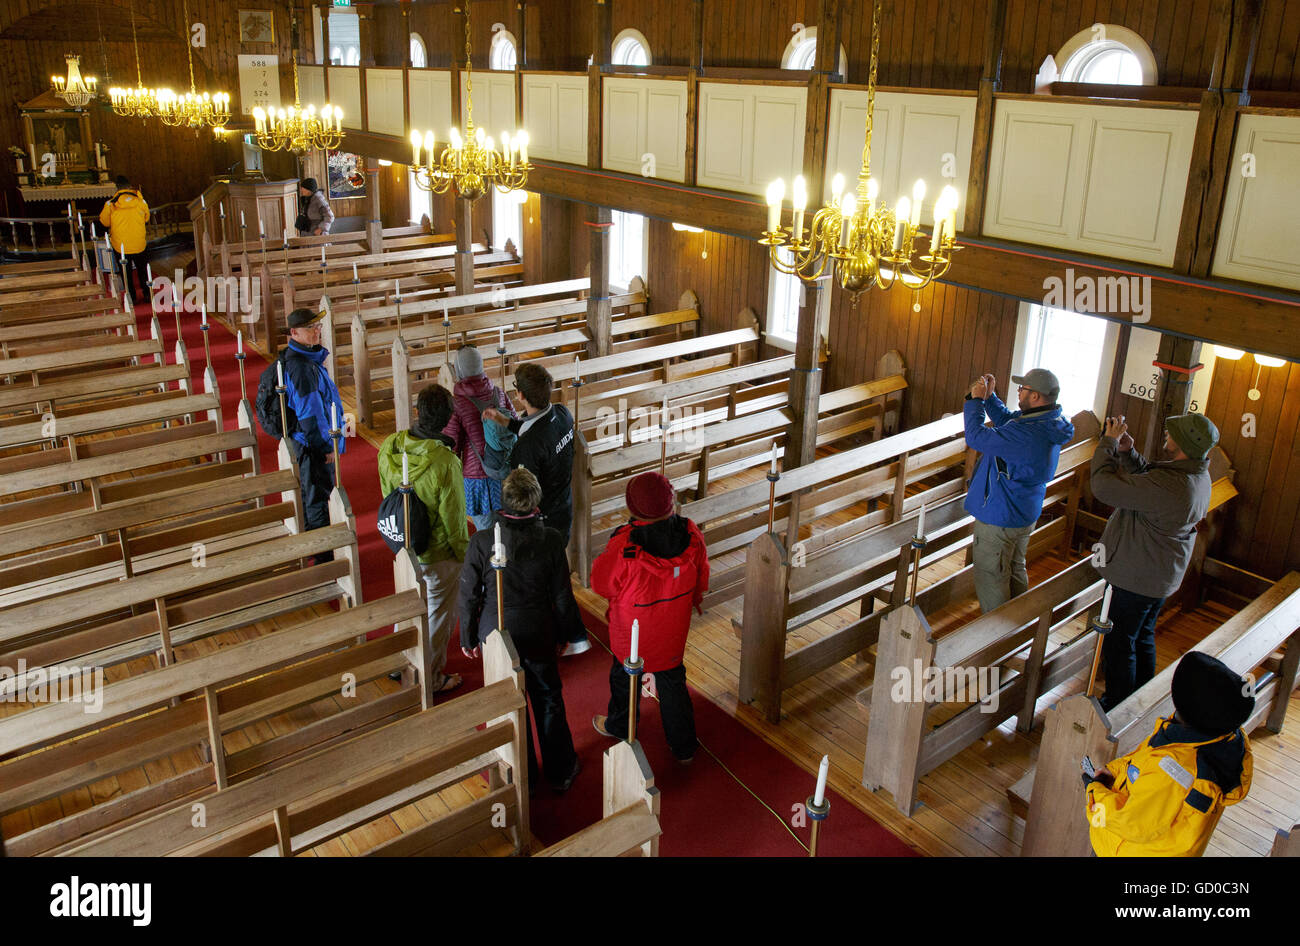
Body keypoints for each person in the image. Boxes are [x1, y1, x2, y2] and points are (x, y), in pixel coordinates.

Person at [457, 468, 582, 792]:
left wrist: (468, 636)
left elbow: (469, 594)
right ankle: (561, 770)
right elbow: (561, 596)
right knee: (547, 697)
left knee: (509, 702)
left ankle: (521, 774)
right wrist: (568, 633)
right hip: (539, 628)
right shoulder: (551, 538)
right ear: (535, 502)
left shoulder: (483, 540)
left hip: (496, 631)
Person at [1093, 412, 1218, 710]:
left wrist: (1108, 445)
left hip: (1137, 577)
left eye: (1171, 432)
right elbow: (1151, 480)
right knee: (1142, 637)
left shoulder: (1173, 485)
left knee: (1120, 643)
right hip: (1159, 575)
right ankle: (1140, 699)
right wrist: (1128, 453)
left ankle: (1117, 706)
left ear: (1183, 442)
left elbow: (1103, 487)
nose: (1166, 434)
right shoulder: (1195, 475)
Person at [1086, 650, 1253, 856]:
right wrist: (1114, 771)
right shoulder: (1223, 738)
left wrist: (1095, 792)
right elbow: (1141, 762)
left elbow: (1132, 824)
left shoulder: (1172, 768)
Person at [590, 472, 708, 764]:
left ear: (633, 508)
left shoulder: (624, 545)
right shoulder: (691, 533)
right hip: (672, 625)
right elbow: (702, 575)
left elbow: (601, 584)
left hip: (632, 631)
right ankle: (683, 747)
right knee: (672, 682)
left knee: (624, 678)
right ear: (671, 503)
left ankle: (620, 725)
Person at [483, 361, 589, 656]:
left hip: (543, 520)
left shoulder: (527, 448)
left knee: (545, 582)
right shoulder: (562, 414)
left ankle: (562, 637)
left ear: (519, 396)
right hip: (563, 506)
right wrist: (504, 422)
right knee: (557, 573)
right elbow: (535, 427)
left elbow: (524, 494)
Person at [378, 384, 468, 695]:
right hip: (437, 553)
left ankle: (401, 661)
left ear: (417, 412)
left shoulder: (389, 445)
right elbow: (454, 519)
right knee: (437, 615)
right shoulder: (445, 462)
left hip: (403, 545)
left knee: (406, 605)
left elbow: (385, 497)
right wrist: (462, 554)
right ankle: (430, 677)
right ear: (447, 420)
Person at [963, 368, 1075, 612]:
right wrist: (991, 398)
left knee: (991, 576)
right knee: (1014, 568)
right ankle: (1017, 627)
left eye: (1023, 389)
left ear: (1035, 396)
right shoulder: (1048, 422)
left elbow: (975, 437)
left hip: (1000, 516)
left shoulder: (1025, 434)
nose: (1019, 391)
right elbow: (1009, 421)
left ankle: (997, 641)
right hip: (1024, 510)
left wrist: (975, 401)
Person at [281, 307, 346, 534]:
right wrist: (326, 446)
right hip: (313, 447)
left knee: (320, 497)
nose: (317, 330)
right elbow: (310, 414)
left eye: (317, 326)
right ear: (294, 333)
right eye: (310, 327)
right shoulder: (300, 367)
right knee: (319, 501)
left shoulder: (309, 359)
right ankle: (324, 557)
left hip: (314, 443)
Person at [443, 345, 516, 532]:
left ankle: (492, 560)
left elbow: (451, 445)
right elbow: (514, 423)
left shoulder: (457, 403)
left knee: (486, 532)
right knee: (506, 525)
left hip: (476, 477)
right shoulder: (498, 392)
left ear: (458, 369)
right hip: (504, 468)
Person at [98, 174, 150, 302]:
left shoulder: (110, 204)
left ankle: (131, 297)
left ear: (117, 188)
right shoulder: (141, 201)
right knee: (142, 271)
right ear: (130, 187)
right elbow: (146, 218)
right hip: (139, 243)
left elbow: (104, 222)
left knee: (126, 273)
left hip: (121, 245)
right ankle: (147, 294)